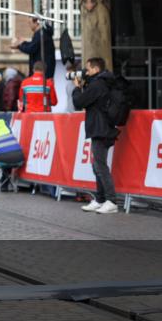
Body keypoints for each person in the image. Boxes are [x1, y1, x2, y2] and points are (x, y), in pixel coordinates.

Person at [71, 58, 120, 215]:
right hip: (101, 127)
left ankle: (111, 200)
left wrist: (77, 88)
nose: (86, 72)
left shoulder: (98, 84)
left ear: (96, 69)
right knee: (97, 165)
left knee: (100, 165)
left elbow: (79, 102)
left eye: (88, 69)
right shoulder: (102, 82)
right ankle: (100, 199)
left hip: (101, 128)